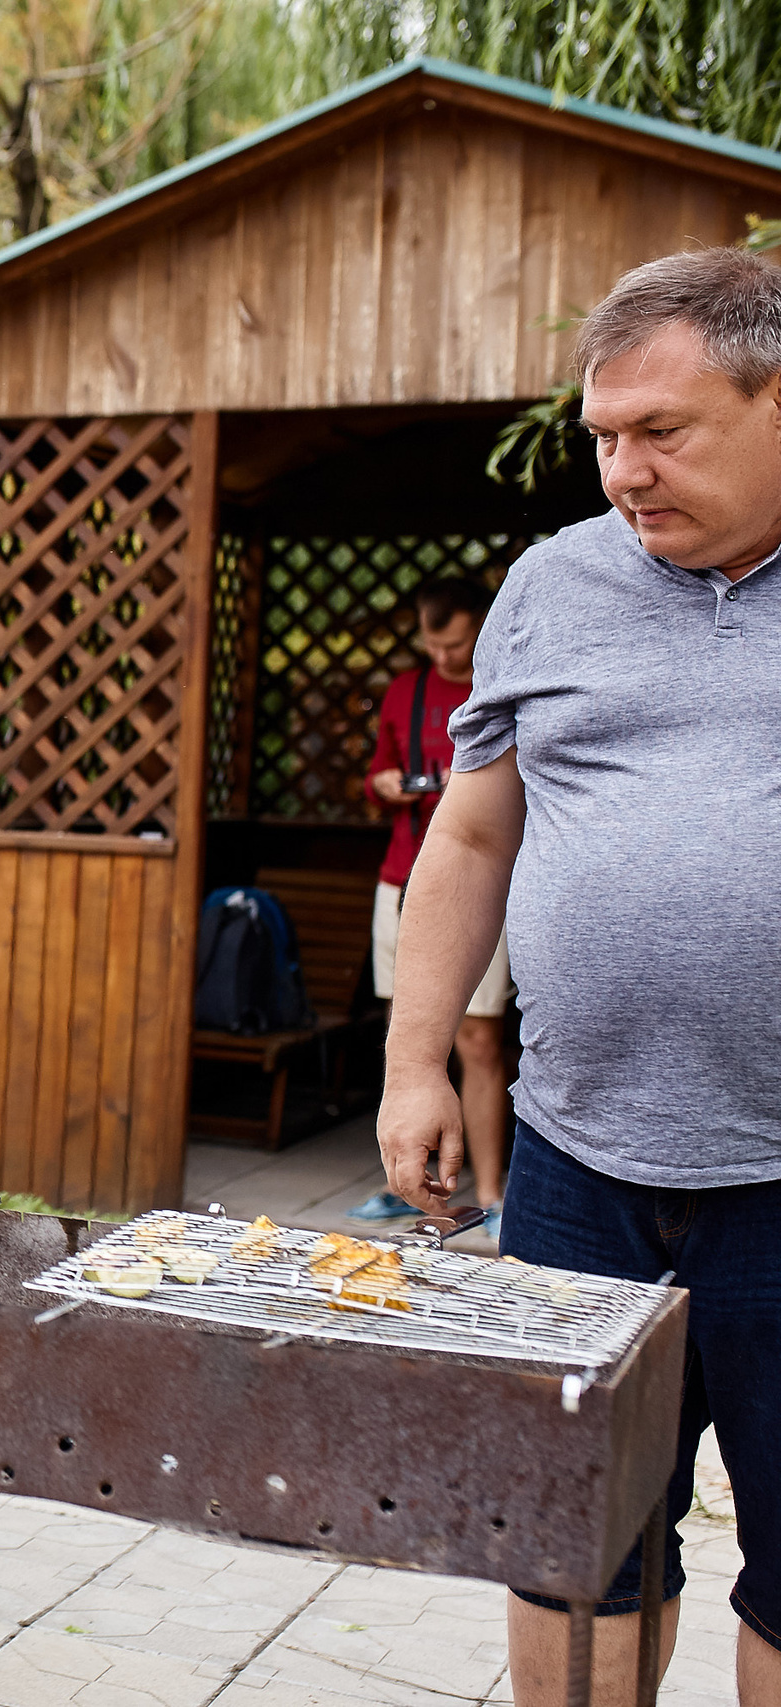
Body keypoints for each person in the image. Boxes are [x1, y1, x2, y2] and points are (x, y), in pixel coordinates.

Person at [377, 247, 781, 1707]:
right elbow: (474, 827)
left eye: (662, 432)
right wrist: (415, 1055)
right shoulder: (551, 585)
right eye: (605, 435)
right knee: (573, 1540)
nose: (622, 469)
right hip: (576, 1154)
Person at [345, 578, 512, 1230]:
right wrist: (383, 783)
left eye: (458, 642)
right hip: (403, 876)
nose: (444, 656)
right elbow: (376, 775)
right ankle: (410, 1183)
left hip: (478, 889)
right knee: (409, 1035)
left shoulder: (500, 681)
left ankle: (493, 1192)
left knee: (477, 1039)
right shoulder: (403, 693)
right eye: (433, 642)